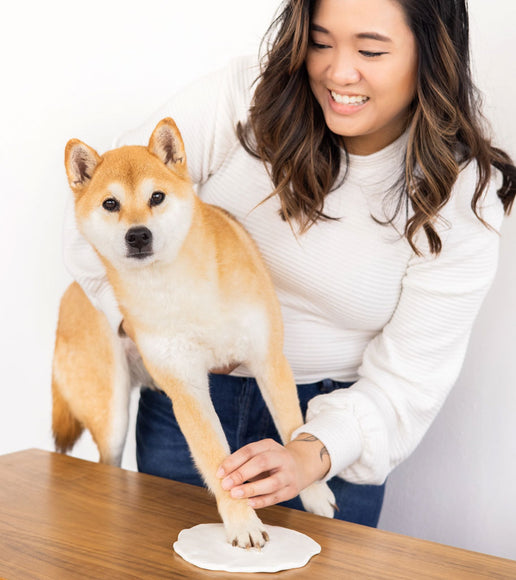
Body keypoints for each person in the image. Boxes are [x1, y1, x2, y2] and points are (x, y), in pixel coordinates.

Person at [63, 0, 516, 528]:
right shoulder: (240, 99)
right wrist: (144, 330)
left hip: (330, 426)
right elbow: (94, 215)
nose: (337, 72)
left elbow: (410, 381)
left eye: (370, 49)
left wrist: (312, 452)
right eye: (320, 42)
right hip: (186, 409)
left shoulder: (464, 197)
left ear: (432, 56)